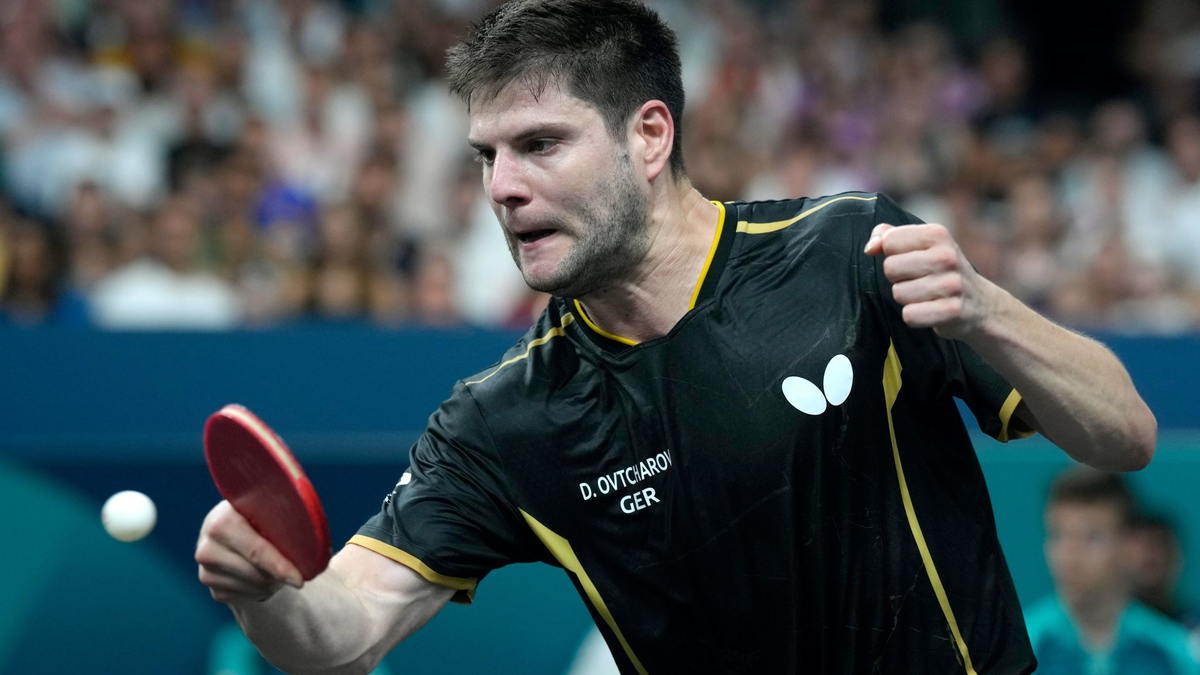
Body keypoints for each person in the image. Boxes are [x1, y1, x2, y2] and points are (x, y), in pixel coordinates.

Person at [195, 1, 1157, 673]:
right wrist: (265, 591)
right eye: (486, 156)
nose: (502, 187)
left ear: (649, 136)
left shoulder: (848, 253)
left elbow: (1125, 435)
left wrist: (988, 308)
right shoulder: (505, 419)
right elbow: (346, 633)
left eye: (540, 144)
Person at [1025, 468, 1197, 675]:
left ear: (1127, 545)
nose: (1070, 554)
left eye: (1092, 537)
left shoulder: (1172, 653)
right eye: (1058, 535)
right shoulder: (1021, 648)